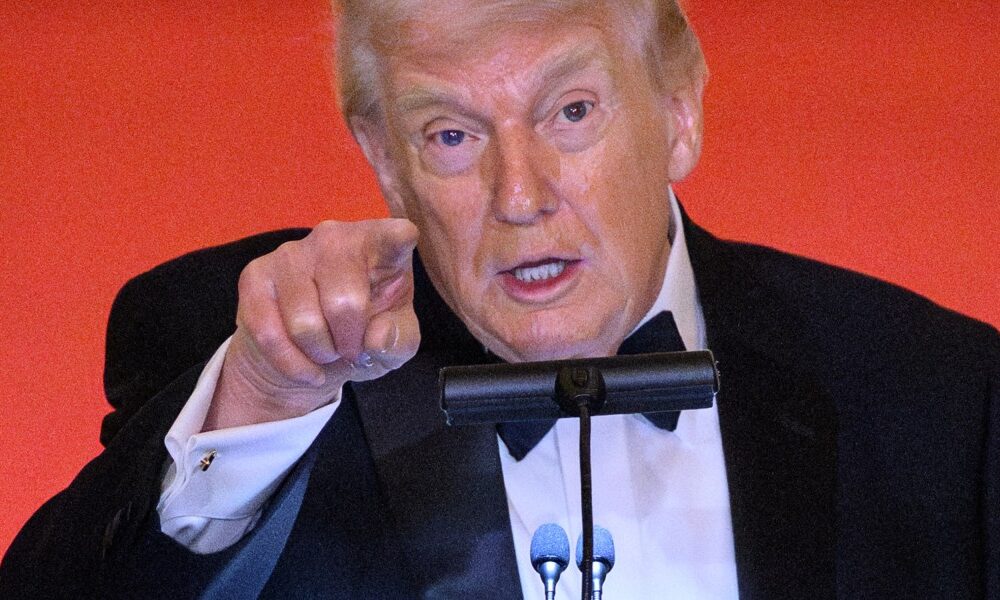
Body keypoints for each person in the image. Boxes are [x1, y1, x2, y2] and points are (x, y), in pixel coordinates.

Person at [2, 1, 997, 598]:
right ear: (383, 158)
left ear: (677, 109)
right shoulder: (247, 363)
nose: (519, 195)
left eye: (571, 112)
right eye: (450, 135)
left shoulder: (940, 397)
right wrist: (262, 402)